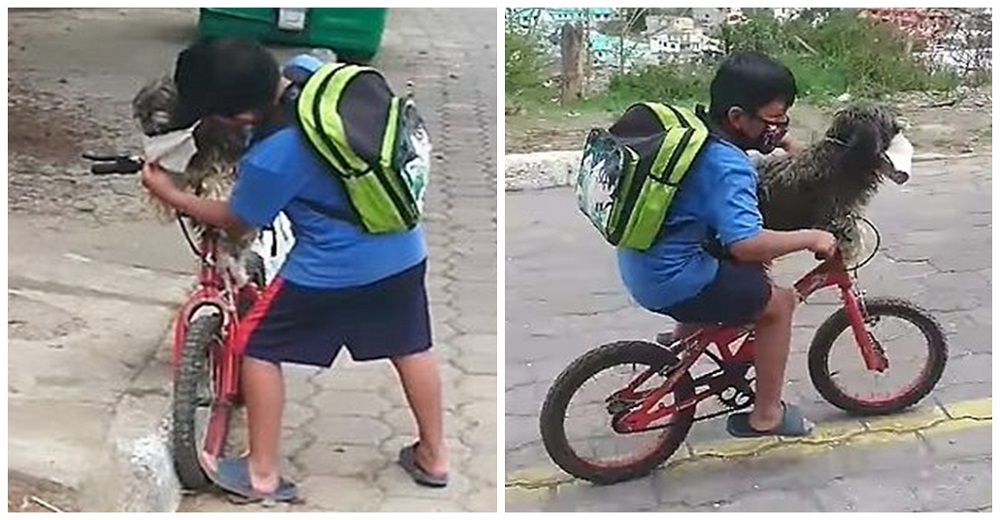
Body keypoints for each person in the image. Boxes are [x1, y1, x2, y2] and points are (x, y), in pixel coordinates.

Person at [141, 37, 448, 502]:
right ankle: (434, 456)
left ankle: (261, 473)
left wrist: (172, 193)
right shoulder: (313, 71)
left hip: (336, 268)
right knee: (410, 345)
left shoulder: (274, 155)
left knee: (258, 346)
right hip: (404, 246)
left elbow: (239, 219)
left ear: (237, 117)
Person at [616, 51, 837, 438]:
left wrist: (788, 145)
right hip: (674, 281)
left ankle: (686, 337)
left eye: (783, 119)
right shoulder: (728, 166)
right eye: (773, 120)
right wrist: (810, 237)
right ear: (738, 118)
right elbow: (746, 244)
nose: (779, 127)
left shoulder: (699, 132)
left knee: (715, 254)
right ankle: (767, 415)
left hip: (642, 262)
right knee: (778, 305)